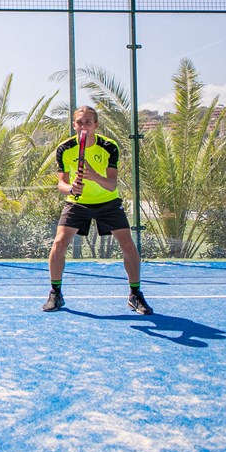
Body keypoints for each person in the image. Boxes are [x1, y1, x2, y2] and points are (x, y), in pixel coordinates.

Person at [42, 106, 153, 315]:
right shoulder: (64, 149)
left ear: (96, 125)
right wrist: (71, 188)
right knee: (58, 243)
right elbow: (61, 184)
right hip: (77, 203)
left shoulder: (109, 147)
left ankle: (135, 294)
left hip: (108, 202)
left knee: (128, 245)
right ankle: (55, 293)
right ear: (74, 125)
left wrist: (94, 176)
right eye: (80, 122)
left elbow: (112, 185)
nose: (84, 125)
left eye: (88, 122)